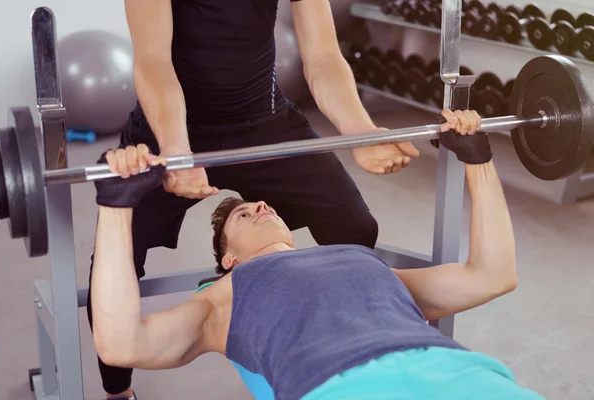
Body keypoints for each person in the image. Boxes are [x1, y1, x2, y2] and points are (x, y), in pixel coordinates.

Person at [87, 0, 421, 396]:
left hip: (264, 121)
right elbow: (154, 63)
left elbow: (323, 57)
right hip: (173, 127)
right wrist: (178, 152)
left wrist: (360, 132)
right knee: (115, 262)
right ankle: (117, 391)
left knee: (355, 226)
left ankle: (350, 347)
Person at [90, 109, 544, 400]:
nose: (261, 206)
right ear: (229, 260)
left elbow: (494, 274)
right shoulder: (222, 298)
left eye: (260, 204)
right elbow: (119, 344)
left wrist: (479, 159)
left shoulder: (360, 259)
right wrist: (117, 208)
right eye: (244, 216)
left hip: (466, 376)